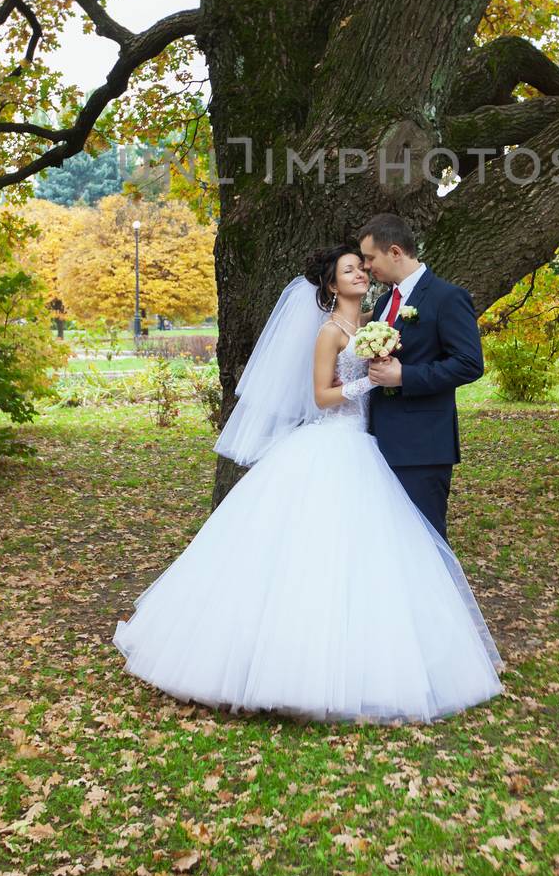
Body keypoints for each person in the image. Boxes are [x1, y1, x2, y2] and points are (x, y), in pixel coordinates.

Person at [113, 242, 503, 724]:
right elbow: (322, 397)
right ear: (330, 284)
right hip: (331, 446)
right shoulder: (329, 332)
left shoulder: (378, 322)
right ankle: (292, 670)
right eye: (350, 269)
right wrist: (370, 383)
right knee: (313, 559)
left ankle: (374, 663)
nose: (362, 273)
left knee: (371, 562)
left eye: (363, 267)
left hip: (370, 448)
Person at [359, 213, 485, 543]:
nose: (367, 267)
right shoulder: (385, 302)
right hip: (375, 442)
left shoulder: (447, 297)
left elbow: (469, 363)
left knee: (423, 543)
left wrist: (406, 376)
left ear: (395, 252)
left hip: (422, 447)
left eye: (371, 258)